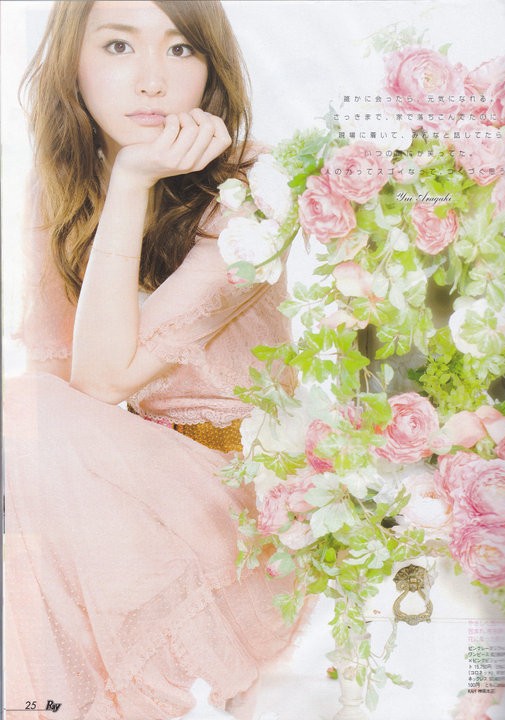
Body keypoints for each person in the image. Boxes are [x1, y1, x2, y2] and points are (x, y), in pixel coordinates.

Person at [4, 2, 303, 718]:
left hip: (229, 498)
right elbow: (59, 383)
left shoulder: (252, 187)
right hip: (114, 492)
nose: (150, 80)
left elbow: (100, 381)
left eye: (179, 49)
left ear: (210, 69)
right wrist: (119, 187)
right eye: (118, 46)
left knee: (19, 411)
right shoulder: (60, 182)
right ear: (73, 62)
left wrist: (133, 182)